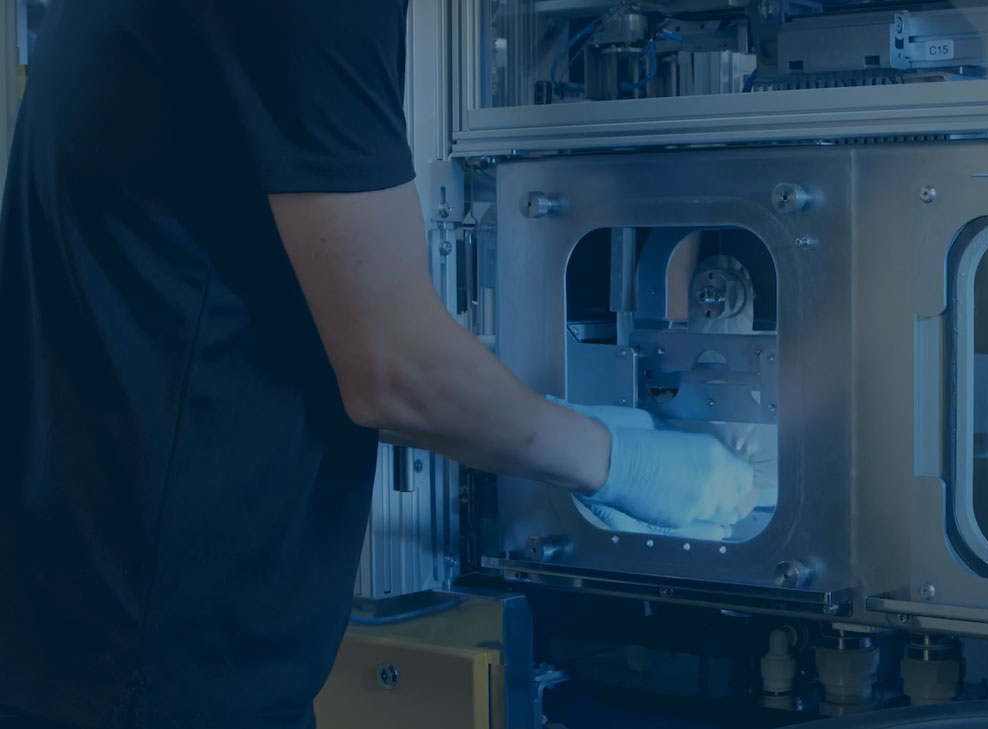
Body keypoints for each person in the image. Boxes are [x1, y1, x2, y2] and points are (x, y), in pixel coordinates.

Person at [0, 2, 754, 727]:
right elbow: (394, 372)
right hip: (157, 663)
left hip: (87, 629)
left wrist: (565, 421)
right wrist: (621, 463)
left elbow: (256, 312)